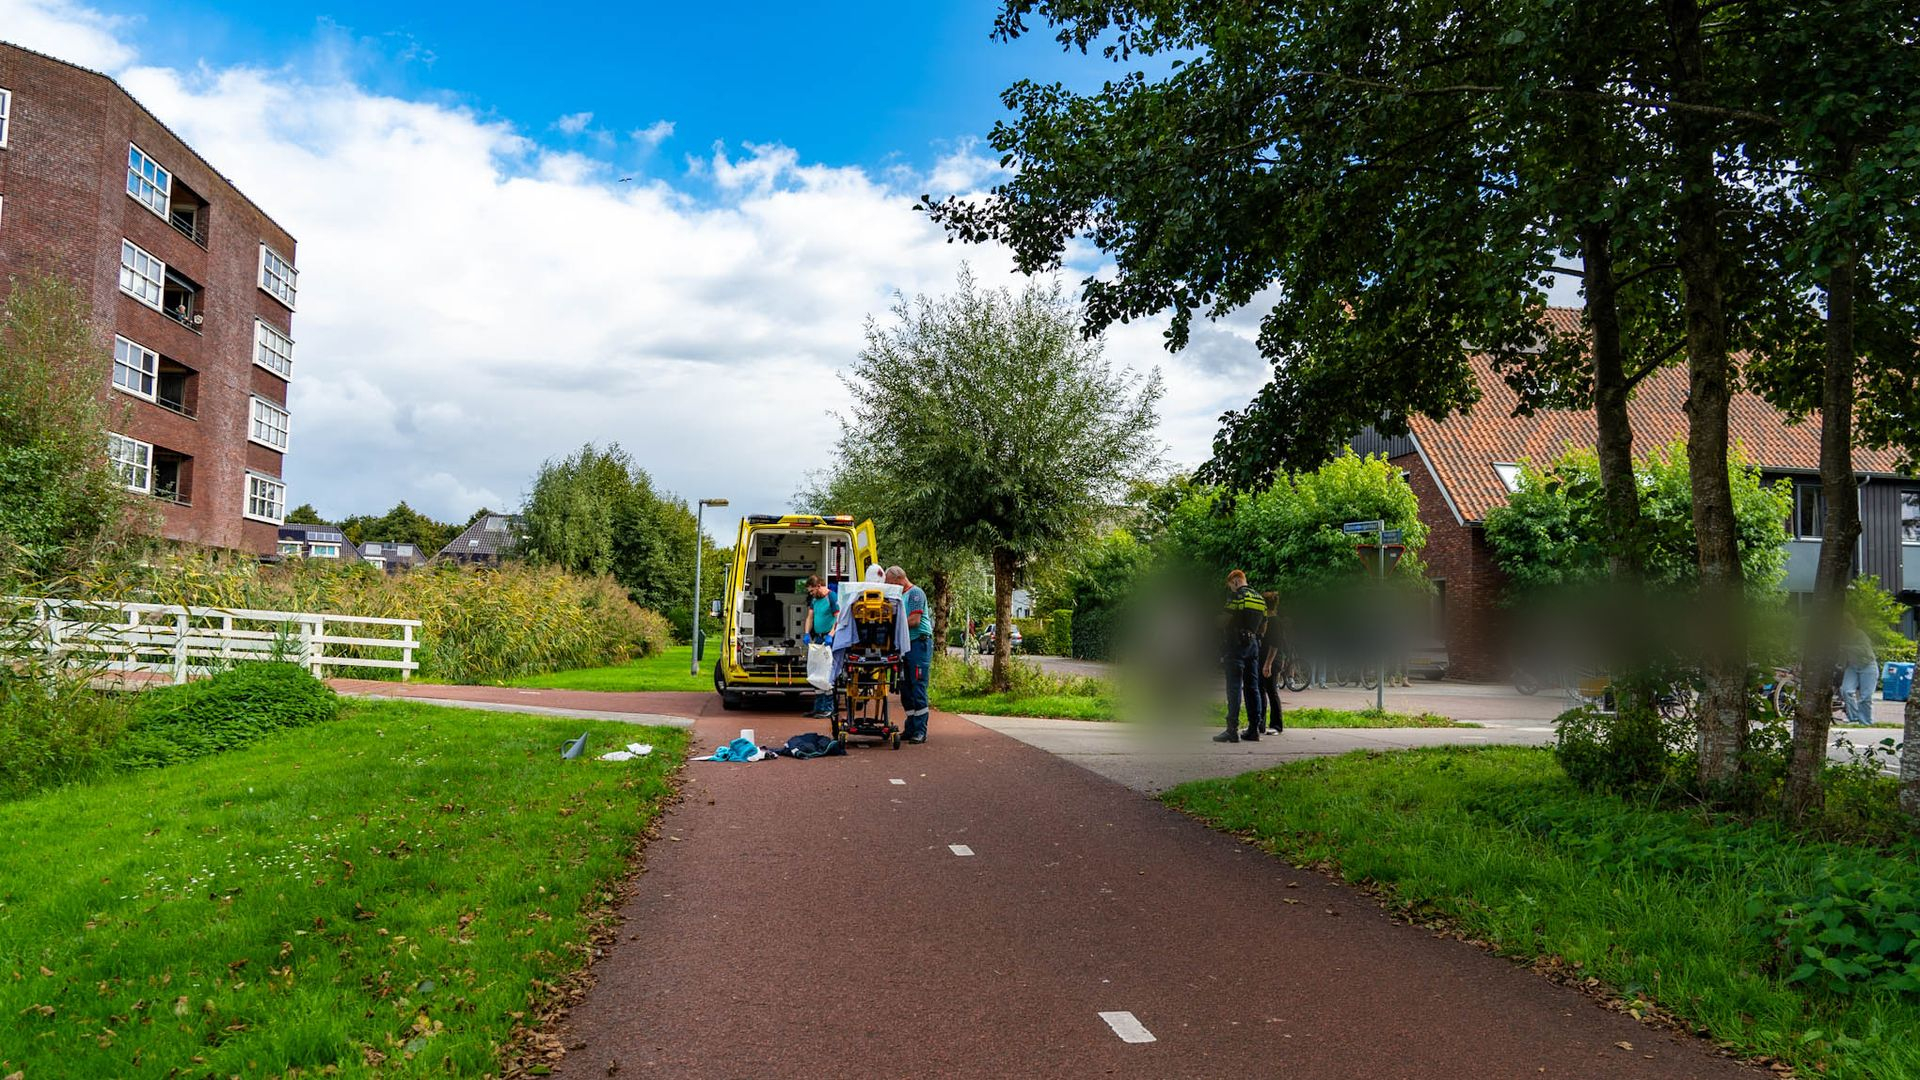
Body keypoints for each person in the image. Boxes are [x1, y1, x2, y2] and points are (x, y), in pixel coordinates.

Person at [1214, 569, 1267, 743]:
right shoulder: (1260, 599)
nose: (1231, 589)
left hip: (1235, 645)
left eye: (1230, 586)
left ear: (1236, 581)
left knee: (1234, 687)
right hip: (1253, 646)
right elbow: (1263, 627)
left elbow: (1223, 621)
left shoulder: (1236, 597)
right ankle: (1254, 729)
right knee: (1253, 687)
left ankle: (1232, 729)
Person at [886, 565, 934, 743]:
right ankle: (911, 726)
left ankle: (920, 730)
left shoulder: (915, 594)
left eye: (891, 583)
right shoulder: (901, 596)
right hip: (906, 646)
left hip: (918, 644)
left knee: (918, 686)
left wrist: (893, 627)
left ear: (899, 579)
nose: (890, 586)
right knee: (905, 688)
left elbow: (914, 620)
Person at [801, 575, 840, 719]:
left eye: (812, 591)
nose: (810, 594)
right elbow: (810, 617)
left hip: (828, 638)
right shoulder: (815, 600)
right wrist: (806, 633)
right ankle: (818, 707)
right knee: (817, 671)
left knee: (827, 673)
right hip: (818, 638)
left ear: (818, 586)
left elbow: (838, 617)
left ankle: (828, 708)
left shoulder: (831, 597)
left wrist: (831, 634)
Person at [1839, 613, 1880, 726]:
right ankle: (1854, 718)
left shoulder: (1859, 634)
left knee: (1865, 696)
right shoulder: (1840, 636)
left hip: (1868, 666)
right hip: (1852, 666)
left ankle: (1866, 721)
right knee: (1846, 690)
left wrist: (1846, 647)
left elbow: (1864, 650)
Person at [1258, 590, 1284, 735]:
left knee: (1271, 691)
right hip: (1265, 659)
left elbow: (1275, 644)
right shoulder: (1267, 620)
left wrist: (1267, 664)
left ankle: (1276, 725)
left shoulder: (1275, 622)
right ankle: (1260, 723)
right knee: (1261, 690)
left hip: (1271, 661)